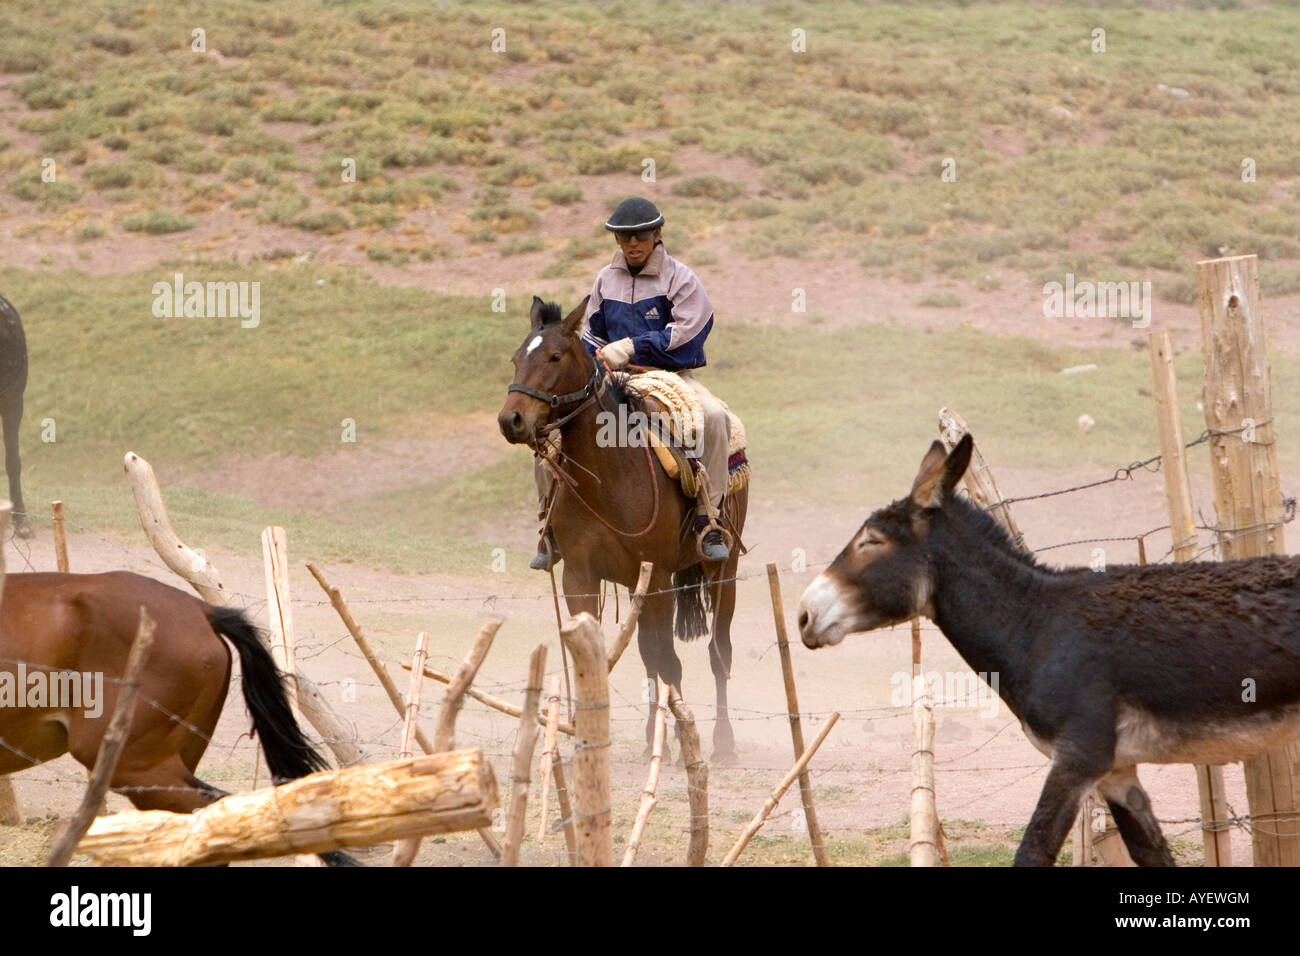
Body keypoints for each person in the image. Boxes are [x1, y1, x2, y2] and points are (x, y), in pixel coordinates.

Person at [531, 196, 732, 569]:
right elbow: (589, 335)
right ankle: (550, 527)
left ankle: (710, 521)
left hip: (672, 377)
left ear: (657, 233)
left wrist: (634, 345)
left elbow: (689, 333)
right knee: (552, 435)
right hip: (613, 379)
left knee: (714, 417)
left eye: (639, 236)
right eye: (623, 238)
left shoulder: (681, 278)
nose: (632, 244)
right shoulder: (605, 280)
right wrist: (599, 357)